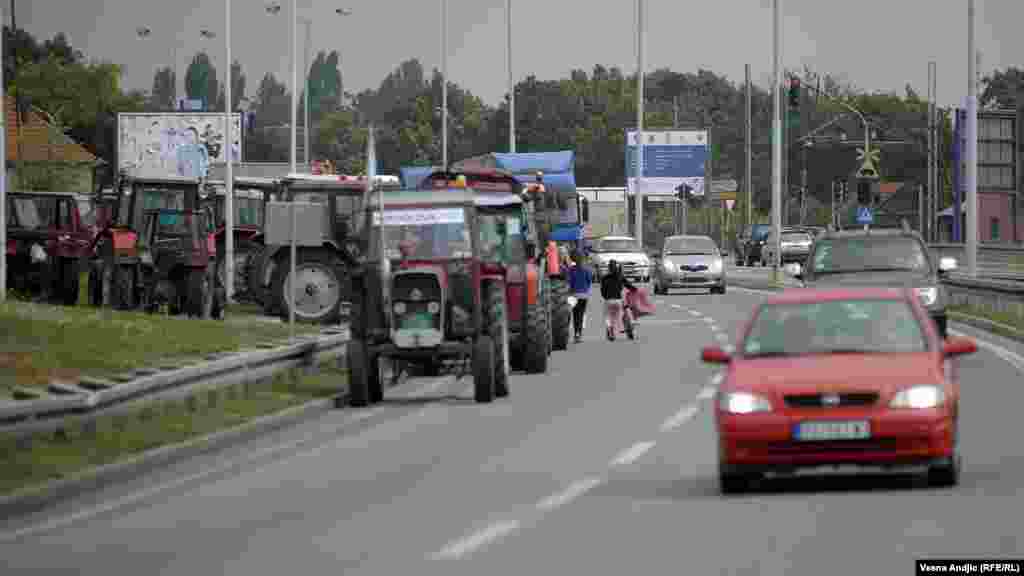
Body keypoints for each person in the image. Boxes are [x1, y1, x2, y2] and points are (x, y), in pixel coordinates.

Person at [600, 260, 637, 341]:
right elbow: (630, 286)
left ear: (609, 268)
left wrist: (606, 297)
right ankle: (629, 329)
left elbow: (602, 291)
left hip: (608, 300)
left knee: (608, 317)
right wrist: (636, 290)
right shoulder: (620, 276)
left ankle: (610, 331)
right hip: (619, 300)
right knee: (623, 314)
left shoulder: (604, 278)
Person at [568, 251, 594, 342]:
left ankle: (576, 334)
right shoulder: (586, 270)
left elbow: (569, 283)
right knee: (581, 314)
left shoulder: (571, 270)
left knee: (575, 315)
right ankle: (579, 334)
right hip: (584, 295)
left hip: (573, 295)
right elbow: (589, 281)